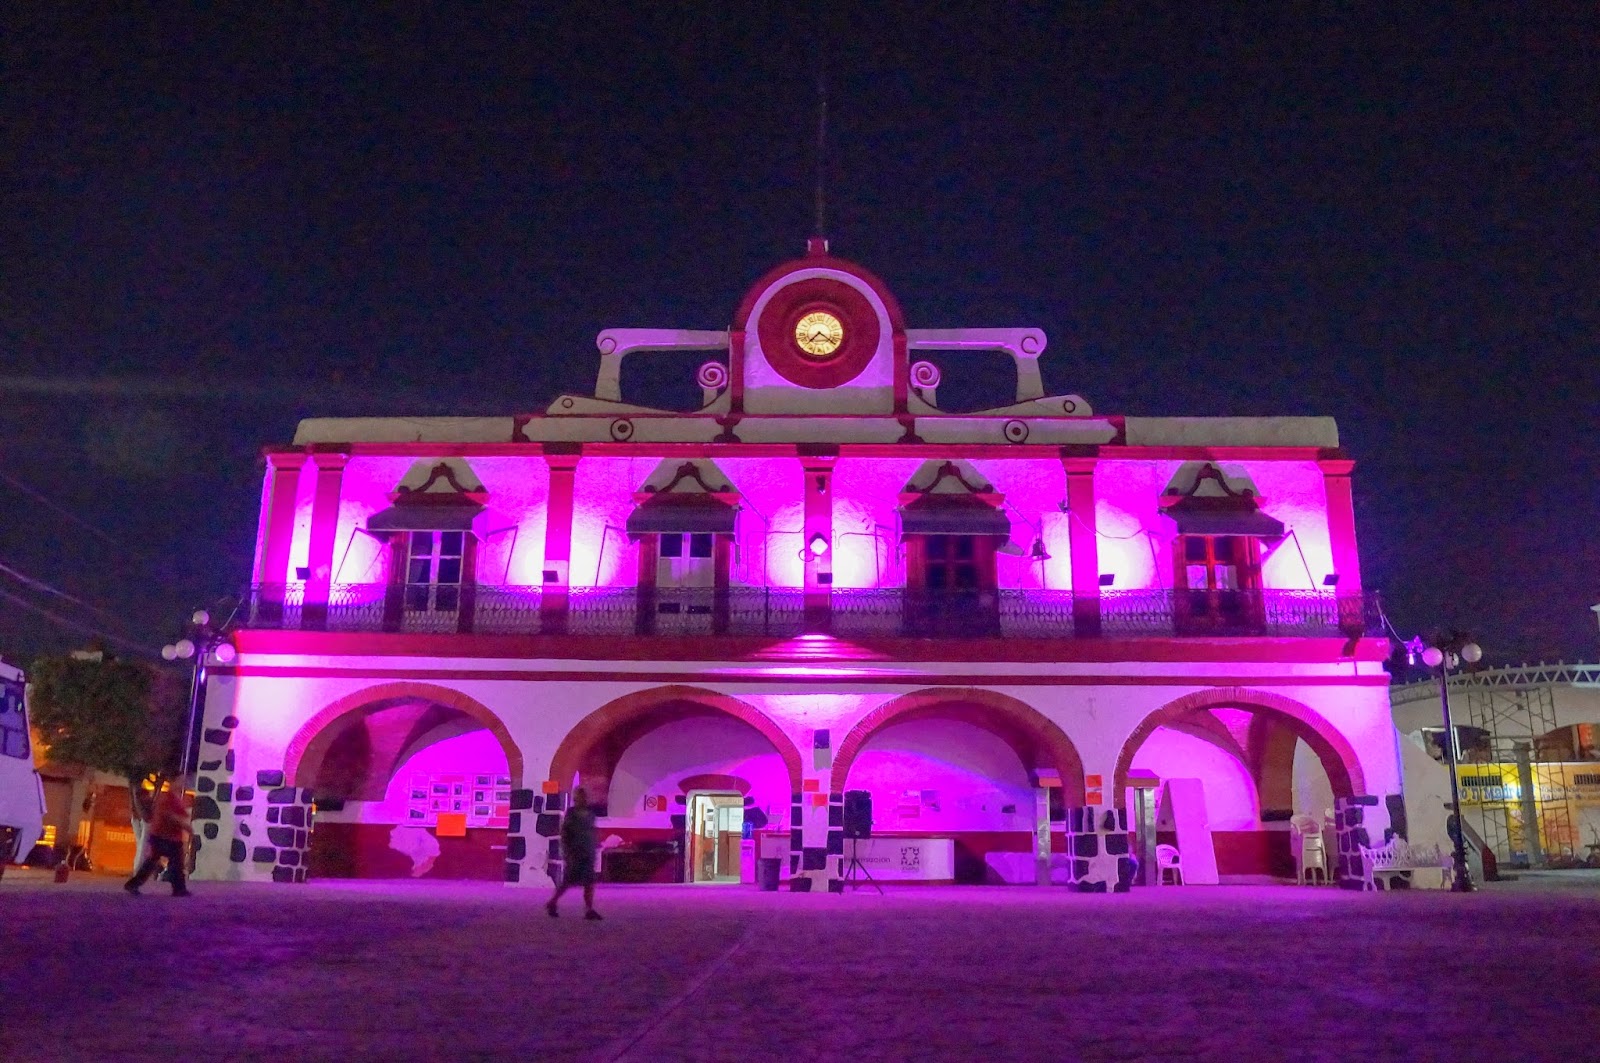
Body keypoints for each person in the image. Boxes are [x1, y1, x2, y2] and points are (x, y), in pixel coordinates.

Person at [125, 779, 192, 897]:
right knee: (166, 862)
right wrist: (185, 825)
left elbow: (178, 815)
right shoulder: (167, 798)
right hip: (163, 836)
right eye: (180, 781)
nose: (182, 783)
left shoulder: (174, 798)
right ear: (173, 782)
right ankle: (178, 889)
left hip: (169, 836)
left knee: (171, 863)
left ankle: (178, 889)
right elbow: (169, 816)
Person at [546, 787, 601, 920]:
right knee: (568, 881)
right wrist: (566, 852)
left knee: (589, 882)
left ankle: (589, 909)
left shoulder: (591, 813)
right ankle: (552, 902)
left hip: (588, 851)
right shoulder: (571, 814)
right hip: (575, 852)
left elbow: (592, 831)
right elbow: (565, 833)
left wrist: (595, 845)